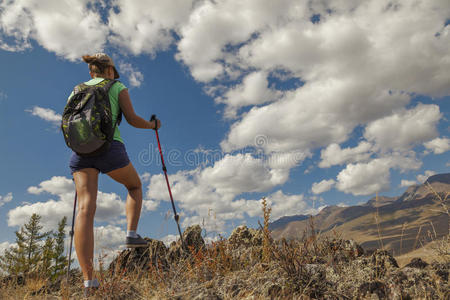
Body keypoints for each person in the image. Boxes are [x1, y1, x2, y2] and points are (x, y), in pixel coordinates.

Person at [68, 53, 160, 294]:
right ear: (110, 71)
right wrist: (153, 126)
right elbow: (132, 119)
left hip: (81, 152)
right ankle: (131, 234)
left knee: (85, 209)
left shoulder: (76, 89)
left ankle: (89, 281)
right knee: (134, 187)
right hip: (110, 148)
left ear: (91, 72)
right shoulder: (117, 86)